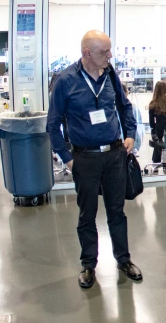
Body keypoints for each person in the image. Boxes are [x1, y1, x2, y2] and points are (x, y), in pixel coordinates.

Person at [46, 30, 142, 289]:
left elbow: (124, 106)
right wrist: (68, 159)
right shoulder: (66, 81)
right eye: (104, 52)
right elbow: (52, 125)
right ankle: (88, 264)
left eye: (110, 50)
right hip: (84, 157)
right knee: (87, 214)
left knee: (117, 211)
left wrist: (130, 134)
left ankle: (123, 259)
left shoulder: (110, 74)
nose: (110, 56)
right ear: (87, 53)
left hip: (114, 154)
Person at [148, 80, 166, 169]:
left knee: (157, 148)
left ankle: (155, 166)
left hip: (158, 132)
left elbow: (151, 123)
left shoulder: (153, 104)